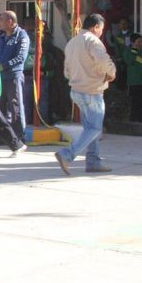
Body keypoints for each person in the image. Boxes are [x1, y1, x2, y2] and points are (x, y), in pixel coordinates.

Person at [55, 14, 116, 175]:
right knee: (95, 128)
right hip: (92, 91)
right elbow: (104, 60)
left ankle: (93, 161)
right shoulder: (93, 41)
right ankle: (67, 154)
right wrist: (112, 72)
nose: (101, 33)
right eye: (101, 30)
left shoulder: (72, 42)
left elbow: (66, 71)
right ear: (95, 27)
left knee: (90, 128)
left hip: (76, 90)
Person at [0, 11, 30, 143]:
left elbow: (21, 57)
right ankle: (4, 136)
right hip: (0, 77)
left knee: (16, 107)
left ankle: (19, 136)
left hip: (13, 76)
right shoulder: (1, 37)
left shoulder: (22, 36)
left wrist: (5, 65)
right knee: (0, 107)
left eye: (1, 20)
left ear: (10, 21)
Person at [123, 34, 142, 123]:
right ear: (133, 43)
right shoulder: (127, 52)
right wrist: (134, 50)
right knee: (135, 100)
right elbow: (129, 61)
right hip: (134, 81)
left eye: (141, 41)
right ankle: (133, 116)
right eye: (138, 42)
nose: (141, 43)